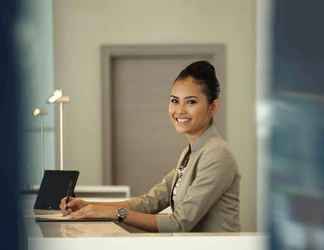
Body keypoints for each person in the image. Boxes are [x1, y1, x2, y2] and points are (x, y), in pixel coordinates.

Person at [60, 61, 241, 232]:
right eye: (174, 100)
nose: (180, 110)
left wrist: (113, 213)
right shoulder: (190, 152)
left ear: (213, 107)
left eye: (191, 102)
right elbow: (150, 202)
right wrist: (90, 206)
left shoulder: (217, 154)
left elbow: (179, 223)